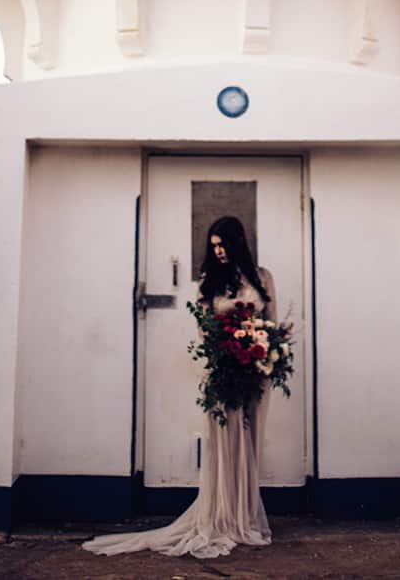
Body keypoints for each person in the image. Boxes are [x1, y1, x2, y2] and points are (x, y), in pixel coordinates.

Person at [81, 215, 277, 559]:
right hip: (223, 373)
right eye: (213, 245)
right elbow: (205, 332)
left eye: (223, 244)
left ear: (237, 243)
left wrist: (264, 352)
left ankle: (244, 516)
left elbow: (270, 323)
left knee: (250, 440)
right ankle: (222, 518)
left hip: (257, 373)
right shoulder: (208, 283)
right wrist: (231, 350)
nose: (218, 251)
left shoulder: (263, 278)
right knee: (227, 441)